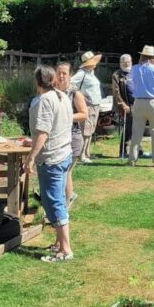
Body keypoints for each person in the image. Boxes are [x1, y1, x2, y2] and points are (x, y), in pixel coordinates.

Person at [27, 65, 75, 263]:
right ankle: (58, 243)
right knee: (58, 200)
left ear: (38, 81)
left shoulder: (44, 100)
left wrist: (30, 157)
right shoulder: (61, 96)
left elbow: (43, 132)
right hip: (64, 153)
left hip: (52, 158)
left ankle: (66, 250)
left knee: (53, 202)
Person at [128, 45, 154, 167]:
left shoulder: (134, 69)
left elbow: (131, 84)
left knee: (136, 131)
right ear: (153, 57)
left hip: (139, 101)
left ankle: (132, 159)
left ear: (142, 56)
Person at [55, 61, 88, 206]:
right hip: (56, 138)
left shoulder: (75, 93)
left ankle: (65, 208)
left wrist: (66, 116)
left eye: (64, 73)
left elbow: (84, 114)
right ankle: (57, 203)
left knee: (66, 172)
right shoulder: (52, 91)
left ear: (70, 75)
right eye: (59, 73)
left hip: (72, 138)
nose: (61, 76)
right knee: (57, 173)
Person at [70, 51, 102, 164]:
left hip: (95, 105)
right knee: (85, 131)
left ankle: (86, 153)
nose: (95, 64)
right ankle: (81, 155)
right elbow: (70, 83)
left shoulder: (90, 73)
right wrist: (80, 95)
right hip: (87, 106)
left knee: (90, 130)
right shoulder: (81, 74)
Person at [111, 54, 134, 159]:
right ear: (120, 63)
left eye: (128, 61)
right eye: (124, 61)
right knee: (128, 128)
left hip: (137, 104)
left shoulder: (135, 73)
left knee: (137, 128)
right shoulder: (116, 75)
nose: (126, 63)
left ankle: (138, 150)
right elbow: (116, 93)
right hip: (125, 106)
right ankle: (122, 151)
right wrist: (123, 104)